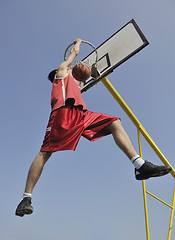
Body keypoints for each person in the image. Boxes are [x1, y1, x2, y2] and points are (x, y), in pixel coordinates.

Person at [15, 38, 172, 217]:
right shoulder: (60, 73)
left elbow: (82, 76)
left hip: (83, 115)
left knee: (114, 122)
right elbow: (73, 55)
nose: (69, 69)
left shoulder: (73, 83)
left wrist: (93, 73)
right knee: (44, 153)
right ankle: (26, 197)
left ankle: (139, 165)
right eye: (68, 68)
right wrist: (78, 42)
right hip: (63, 114)